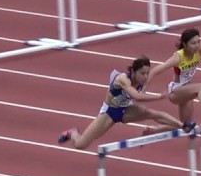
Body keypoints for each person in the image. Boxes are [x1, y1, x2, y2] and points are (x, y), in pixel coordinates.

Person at [56, 56, 187, 149]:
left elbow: (144, 89)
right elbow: (137, 96)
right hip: (109, 113)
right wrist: (159, 97)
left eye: (147, 73)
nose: (145, 77)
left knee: (153, 113)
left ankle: (184, 125)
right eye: (142, 73)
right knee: (81, 145)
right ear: (133, 72)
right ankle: (73, 132)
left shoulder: (143, 80)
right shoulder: (123, 79)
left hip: (125, 110)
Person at [148, 28, 201, 127]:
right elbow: (156, 70)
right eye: (193, 43)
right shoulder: (178, 57)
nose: (197, 45)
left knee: (185, 125)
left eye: (198, 42)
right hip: (175, 91)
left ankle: (153, 131)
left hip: (187, 90)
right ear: (185, 45)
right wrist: (143, 90)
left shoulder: (200, 49)